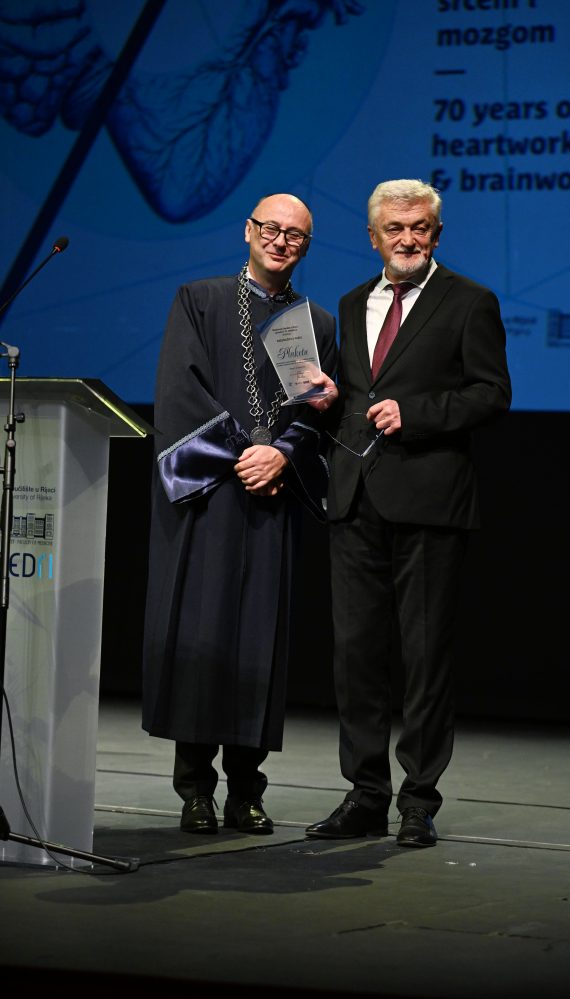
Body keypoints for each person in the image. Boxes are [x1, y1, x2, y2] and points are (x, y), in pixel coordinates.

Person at [307, 179, 512, 847]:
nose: (408, 238)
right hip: (354, 498)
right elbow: (357, 398)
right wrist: (330, 400)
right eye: (394, 228)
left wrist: (417, 414)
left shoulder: (469, 301)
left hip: (429, 500)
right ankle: (365, 795)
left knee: (424, 659)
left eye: (419, 227)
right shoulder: (350, 303)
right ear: (373, 237)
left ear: (436, 233)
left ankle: (418, 800)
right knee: (355, 657)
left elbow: (491, 393)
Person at [142, 193, 337, 835]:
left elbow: (313, 411)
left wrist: (281, 454)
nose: (280, 241)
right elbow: (179, 390)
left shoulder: (314, 324)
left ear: (305, 247)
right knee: (201, 635)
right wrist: (242, 455)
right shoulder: (199, 301)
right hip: (211, 496)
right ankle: (196, 789)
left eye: (295, 235)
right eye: (270, 229)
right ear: (247, 232)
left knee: (259, 639)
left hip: (272, 497)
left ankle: (247, 790)